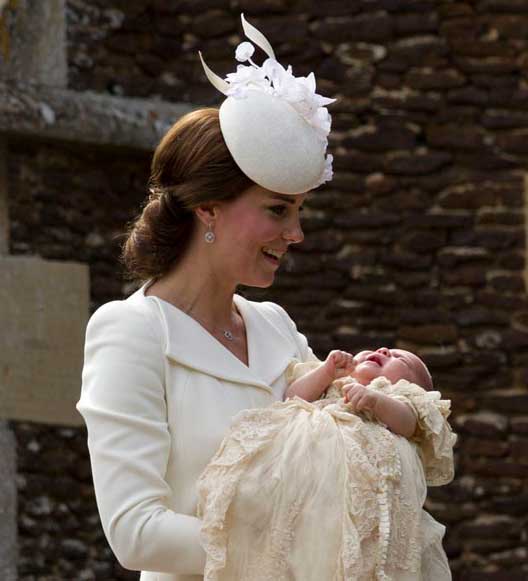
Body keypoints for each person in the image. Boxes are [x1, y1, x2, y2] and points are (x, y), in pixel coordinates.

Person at [76, 15, 334, 581]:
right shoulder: (132, 331)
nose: (296, 234)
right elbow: (135, 530)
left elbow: (336, 464)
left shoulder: (275, 326)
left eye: (298, 212)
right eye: (277, 209)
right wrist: (289, 548)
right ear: (208, 207)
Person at [196, 347, 457, 580]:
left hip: (351, 483)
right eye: (381, 349)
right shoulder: (335, 382)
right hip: (301, 465)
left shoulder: (399, 396)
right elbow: (292, 395)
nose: (385, 350)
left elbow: (407, 422)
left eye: (402, 359)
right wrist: (326, 371)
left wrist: (376, 401)